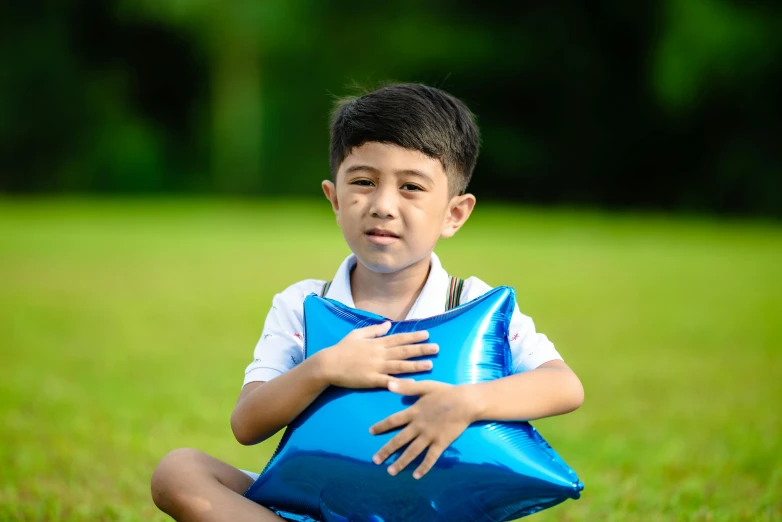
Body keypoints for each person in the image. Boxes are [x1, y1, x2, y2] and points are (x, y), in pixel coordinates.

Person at [150, 83, 584, 521]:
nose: (382, 205)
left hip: (432, 508)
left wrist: (467, 402)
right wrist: (324, 368)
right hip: (315, 505)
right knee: (179, 471)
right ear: (334, 198)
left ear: (454, 214)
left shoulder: (474, 303)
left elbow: (565, 386)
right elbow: (247, 425)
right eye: (363, 182)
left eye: (411, 187)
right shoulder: (303, 304)